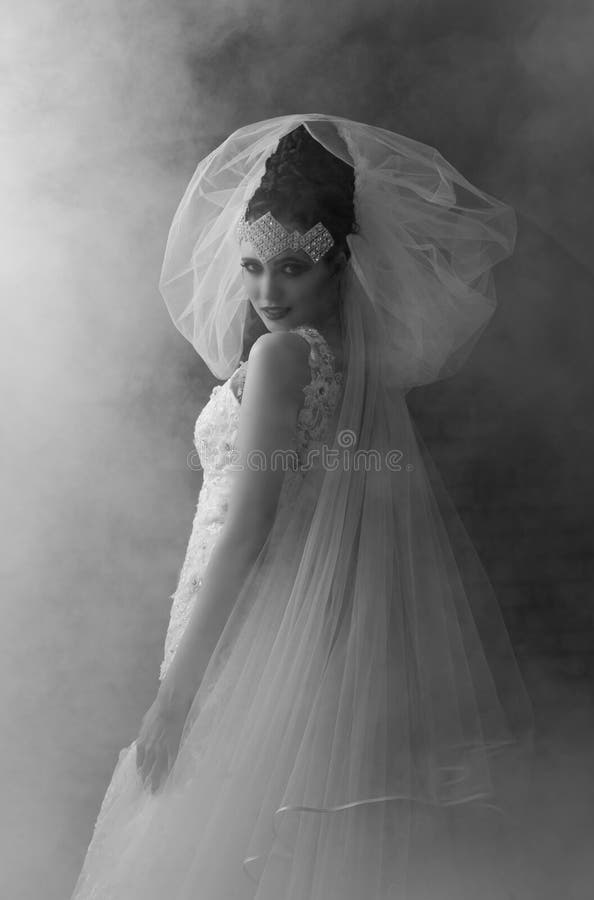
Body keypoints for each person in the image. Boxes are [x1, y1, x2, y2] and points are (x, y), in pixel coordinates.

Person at [69, 115, 535, 900]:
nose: (264, 292)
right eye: (251, 267)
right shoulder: (349, 362)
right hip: (294, 629)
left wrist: (176, 695)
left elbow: (248, 527)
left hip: (245, 633)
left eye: (290, 268)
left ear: (335, 265)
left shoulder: (282, 356)